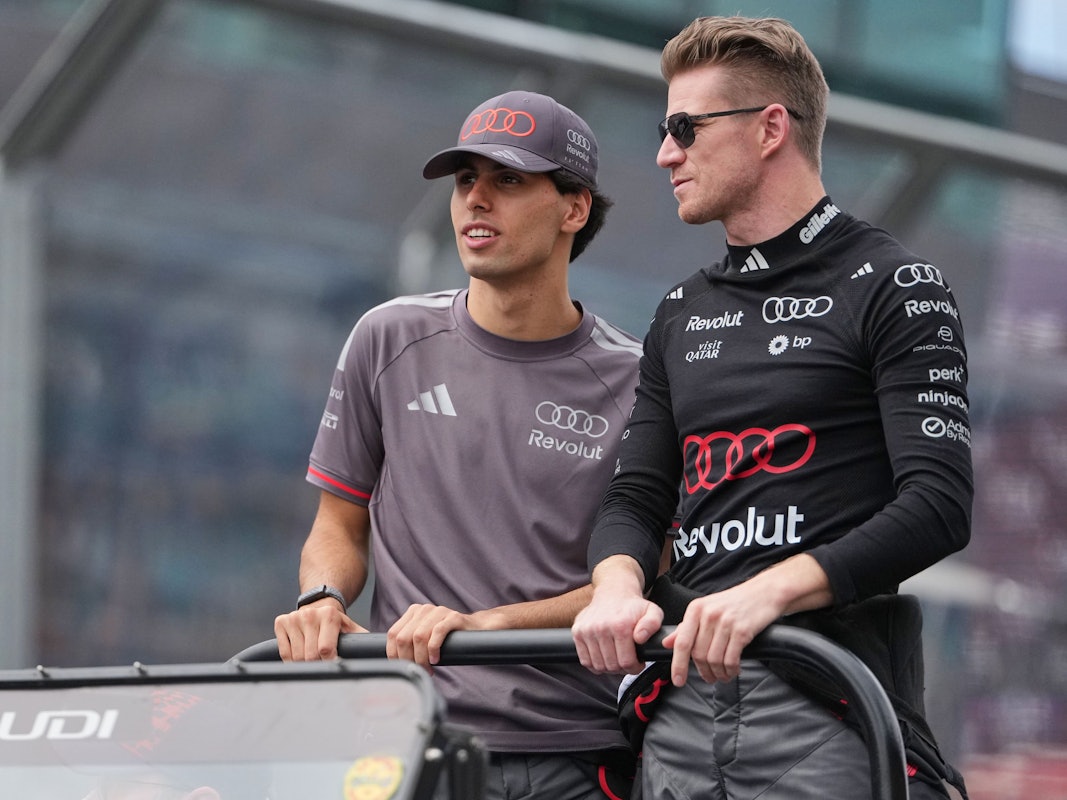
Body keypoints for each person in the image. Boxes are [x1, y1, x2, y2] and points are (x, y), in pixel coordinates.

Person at [571, 15, 972, 800]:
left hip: (828, 697)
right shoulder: (681, 310)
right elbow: (636, 497)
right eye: (663, 129)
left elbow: (938, 505)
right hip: (678, 707)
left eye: (684, 128)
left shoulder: (896, 284)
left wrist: (765, 594)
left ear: (769, 129)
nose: (664, 154)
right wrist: (615, 588)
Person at [273, 90, 642, 799]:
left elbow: (635, 581)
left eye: (507, 181)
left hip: (569, 751)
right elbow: (337, 525)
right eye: (465, 179)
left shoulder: (637, 381)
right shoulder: (386, 337)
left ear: (574, 209)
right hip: (399, 736)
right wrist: (319, 597)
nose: (476, 199)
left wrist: (487, 625)